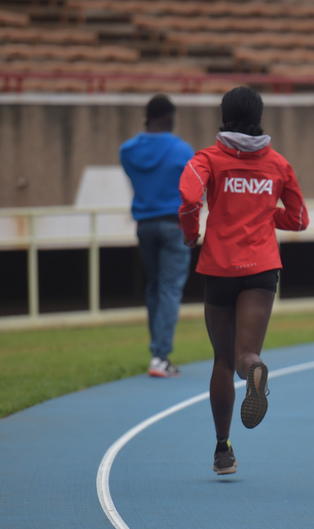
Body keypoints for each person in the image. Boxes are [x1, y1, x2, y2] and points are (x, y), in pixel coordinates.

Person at [179, 86, 309, 476]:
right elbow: (300, 219)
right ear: (259, 118)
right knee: (244, 355)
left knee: (221, 359)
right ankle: (253, 366)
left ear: (224, 116)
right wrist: (267, 214)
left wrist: (191, 232)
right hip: (262, 269)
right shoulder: (278, 164)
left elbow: (187, 198)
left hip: (219, 268)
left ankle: (223, 450)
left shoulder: (208, 158)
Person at [120, 94, 195, 378]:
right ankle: (160, 357)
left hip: (144, 225)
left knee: (153, 288)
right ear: (170, 119)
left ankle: (157, 353)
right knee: (169, 289)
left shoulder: (127, 150)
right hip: (173, 225)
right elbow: (192, 190)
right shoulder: (182, 150)